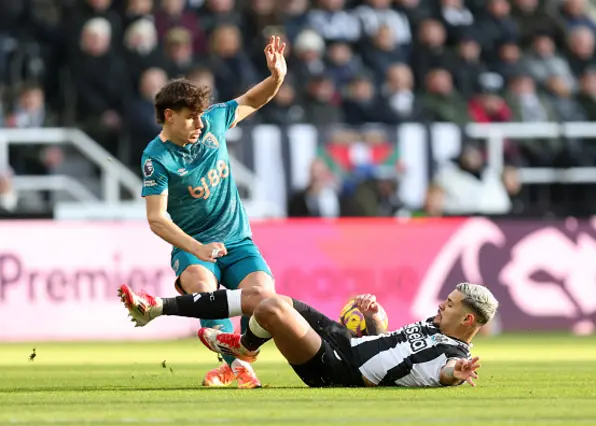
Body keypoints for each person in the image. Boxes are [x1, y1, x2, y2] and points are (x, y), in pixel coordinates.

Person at [139, 36, 287, 389]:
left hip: (238, 241)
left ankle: (232, 362)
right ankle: (241, 368)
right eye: (191, 119)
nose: (199, 125)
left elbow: (254, 99)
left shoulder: (214, 122)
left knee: (266, 300)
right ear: (169, 116)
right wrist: (197, 248)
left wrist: (277, 78)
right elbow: (156, 218)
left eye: (201, 117)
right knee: (203, 288)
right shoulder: (155, 158)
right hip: (195, 246)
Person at [118, 281, 498, 388]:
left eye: (450, 304)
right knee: (263, 297)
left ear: (467, 321)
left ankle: (247, 346)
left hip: (342, 373)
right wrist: (377, 319)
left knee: (270, 310)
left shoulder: (450, 352)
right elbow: (390, 350)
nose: (442, 305)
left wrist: (457, 373)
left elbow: (446, 371)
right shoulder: (434, 325)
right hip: (349, 343)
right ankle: (157, 307)